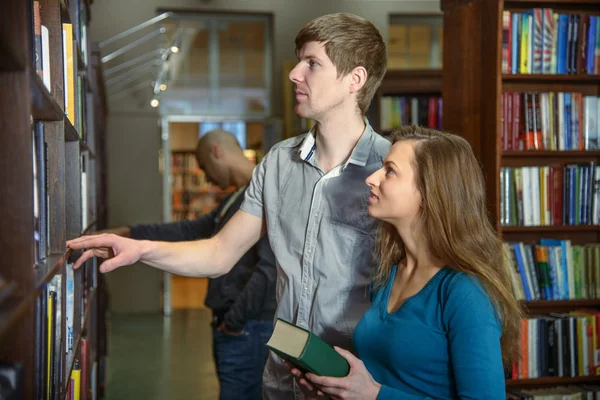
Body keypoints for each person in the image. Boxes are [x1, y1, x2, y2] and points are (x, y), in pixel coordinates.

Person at [67, 12, 390, 399]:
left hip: (353, 383)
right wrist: (138, 249)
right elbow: (221, 253)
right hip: (282, 380)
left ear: (355, 79)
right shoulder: (277, 163)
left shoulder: (392, 171)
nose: (294, 74)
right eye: (299, 59)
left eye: (312, 63)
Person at [290, 126, 522, 400]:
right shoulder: (388, 273)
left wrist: (374, 395)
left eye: (390, 171)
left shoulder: (466, 292)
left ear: (428, 191)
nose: (372, 178)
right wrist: (339, 389)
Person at [101, 129, 277, 400]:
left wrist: (235, 321)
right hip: (238, 326)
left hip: (248, 329)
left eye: (205, 167)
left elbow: (270, 271)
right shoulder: (240, 196)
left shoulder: (266, 194)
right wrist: (127, 233)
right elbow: (191, 229)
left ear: (217, 151)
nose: (206, 177)